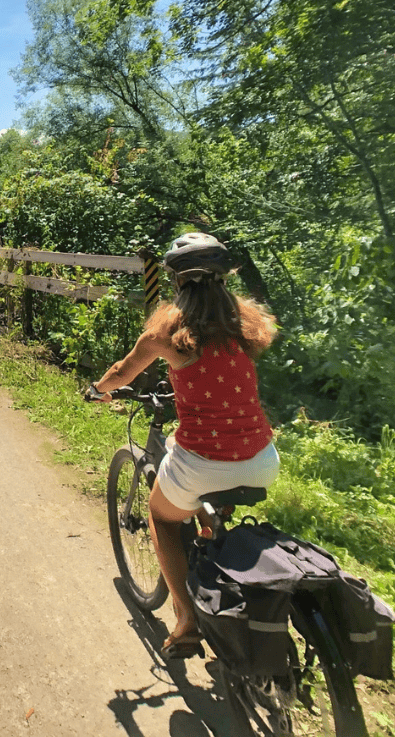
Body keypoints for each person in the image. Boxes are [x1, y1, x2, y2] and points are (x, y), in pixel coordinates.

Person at [89, 232, 279, 659]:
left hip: (205, 461)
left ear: (175, 281)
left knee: (162, 516)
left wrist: (99, 389)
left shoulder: (167, 333)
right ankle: (214, 553)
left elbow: (123, 371)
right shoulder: (245, 324)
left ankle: (186, 619)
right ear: (224, 278)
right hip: (262, 458)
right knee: (205, 503)